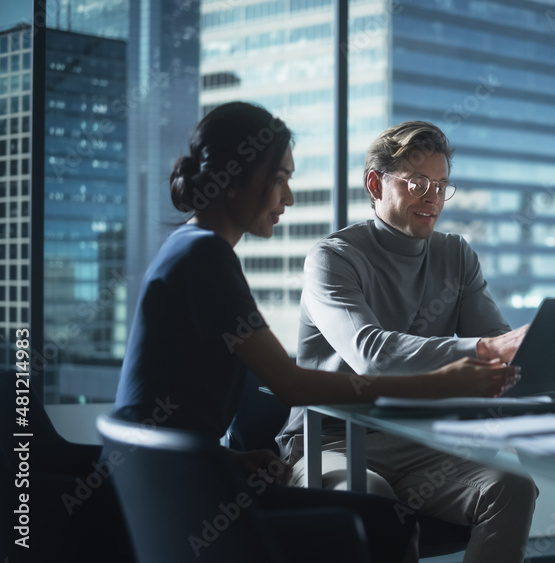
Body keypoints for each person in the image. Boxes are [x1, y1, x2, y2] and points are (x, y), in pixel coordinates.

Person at [112, 102, 520, 563]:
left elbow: (173, 409)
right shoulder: (208, 257)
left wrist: (233, 460)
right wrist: (445, 381)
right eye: (280, 178)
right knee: (377, 515)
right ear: (234, 180)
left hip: (170, 473)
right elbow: (291, 383)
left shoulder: (194, 249)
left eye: (440, 186)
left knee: (481, 493)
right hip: (176, 490)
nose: (287, 198)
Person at [276, 121, 537, 563]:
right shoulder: (333, 258)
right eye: (418, 182)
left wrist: (532, 347)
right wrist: (485, 351)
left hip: (418, 445)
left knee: (511, 487)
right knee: (374, 499)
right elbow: (371, 354)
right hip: (331, 442)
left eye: (440, 185)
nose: (432, 196)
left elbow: (499, 342)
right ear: (375, 184)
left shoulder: (456, 255)